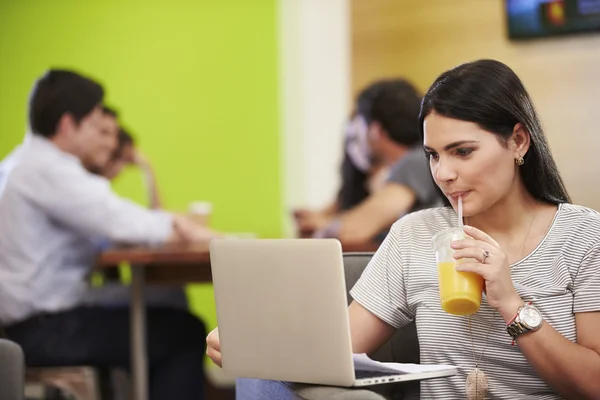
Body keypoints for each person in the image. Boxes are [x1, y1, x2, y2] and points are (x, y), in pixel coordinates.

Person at [207, 60, 600, 399]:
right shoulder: (415, 235)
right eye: (433, 155)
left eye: (463, 151)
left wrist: (510, 303)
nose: (444, 174)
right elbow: (337, 348)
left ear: (517, 141)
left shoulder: (582, 235)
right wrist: (255, 342)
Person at [0, 69, 213, 400]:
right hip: (45, 328)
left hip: (32, 319)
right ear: (69, 124)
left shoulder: (25, 163)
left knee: (168, 307)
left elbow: (106, 218)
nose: (103, 134)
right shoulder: (47, 169)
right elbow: (123, 220)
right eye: (96, 124)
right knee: (184, 331)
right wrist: (181, 226)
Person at [295, 78, 440, 245]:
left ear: (375, 130)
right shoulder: (411, 162)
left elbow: (352, 231)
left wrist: (324, 224)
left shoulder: (415, 161)